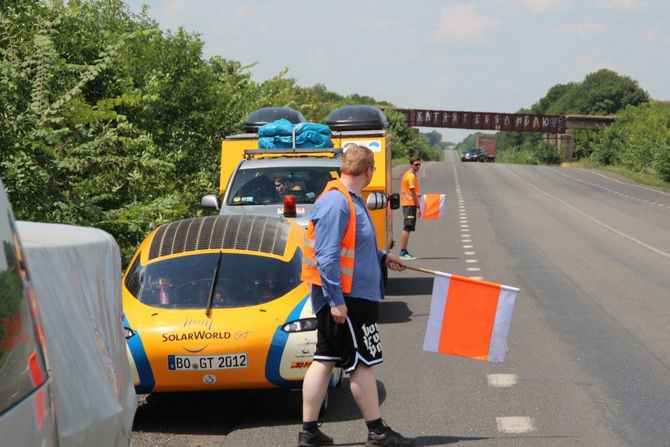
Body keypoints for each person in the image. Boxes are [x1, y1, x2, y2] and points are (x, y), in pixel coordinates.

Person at [299, 145, 414, 447]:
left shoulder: (351, 200)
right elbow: (326, 255)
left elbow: (354, 246)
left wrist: (382, 257)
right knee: (362, 363)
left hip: (347, 296)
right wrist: (336, 301)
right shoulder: (337, 203)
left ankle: (309, 433)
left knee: (324, 359)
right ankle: (377, 432)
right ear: (368, 171)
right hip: (346, 299)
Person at [398, 155, 422, 260]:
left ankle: (404, 251)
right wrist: (418, 206)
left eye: (419, 164)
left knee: (407, 227)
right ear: (411, 164)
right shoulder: (411, 176)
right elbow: (412, 192)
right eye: (416, 164)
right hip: (410, 204)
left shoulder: (408, 174)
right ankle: (403, 252)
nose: (418, 166)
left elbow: (411, 191)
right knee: (407, 228)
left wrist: (417, 194)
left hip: (407, 203)